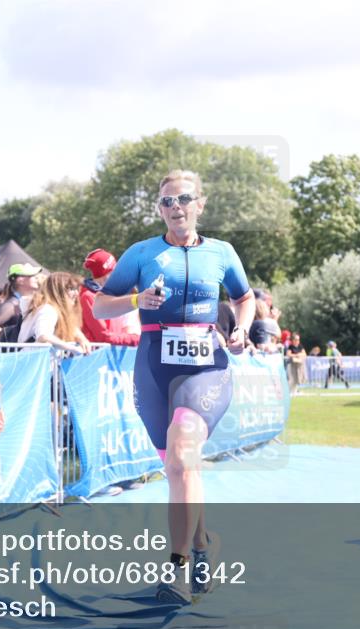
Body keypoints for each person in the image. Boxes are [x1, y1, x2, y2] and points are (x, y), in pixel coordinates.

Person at [92, 169, 254, 605]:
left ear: (200, 204)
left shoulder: (221, 252)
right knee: (178, 471)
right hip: (153, 369)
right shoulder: (142, 253)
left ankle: (178, 568)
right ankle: (204, 545)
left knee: (184, 451)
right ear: (159, 209)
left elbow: (244, 296)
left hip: (206, 368)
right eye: (166, 202)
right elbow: (101, 303)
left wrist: (241, 327)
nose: (175, 208)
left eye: (183, 199)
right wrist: (133, 301)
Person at [18, 271, 92, 354]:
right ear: (58, 291)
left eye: (76, 289)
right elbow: (43, 336)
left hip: (38, 362)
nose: (76, 293)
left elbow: (72, 328)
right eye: (71, 289)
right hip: (34, 363)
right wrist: (72, 348)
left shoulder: (51, 309)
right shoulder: (48, 310)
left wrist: (82, 339)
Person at [79, 248, 140, 345]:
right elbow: (104, 337)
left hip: (109, 355)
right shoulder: (88, 297)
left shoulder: (107, 294)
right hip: (97, 357)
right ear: (104, 275)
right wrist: (135, 339)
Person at [0, 263, 44, 342]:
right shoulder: (13, 304)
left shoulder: (22, 302)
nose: (36, 278)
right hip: (12, 353)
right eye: (32, 276)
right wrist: (12, 338)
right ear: (20, 281)